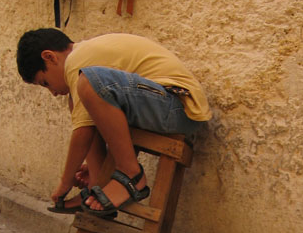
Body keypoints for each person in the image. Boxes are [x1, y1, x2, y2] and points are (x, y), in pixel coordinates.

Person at [16, 29, 211, 216]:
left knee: (89, 83)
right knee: (79, 101)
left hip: (178, 107)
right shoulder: (84, 57)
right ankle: (97, 181)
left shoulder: (78, 60)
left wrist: (65, 181)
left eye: (46, 83)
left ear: (49, 57)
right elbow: (86, 124)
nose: (53, 92)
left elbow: (83, 132)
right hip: (161, 106)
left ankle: (131, 174)